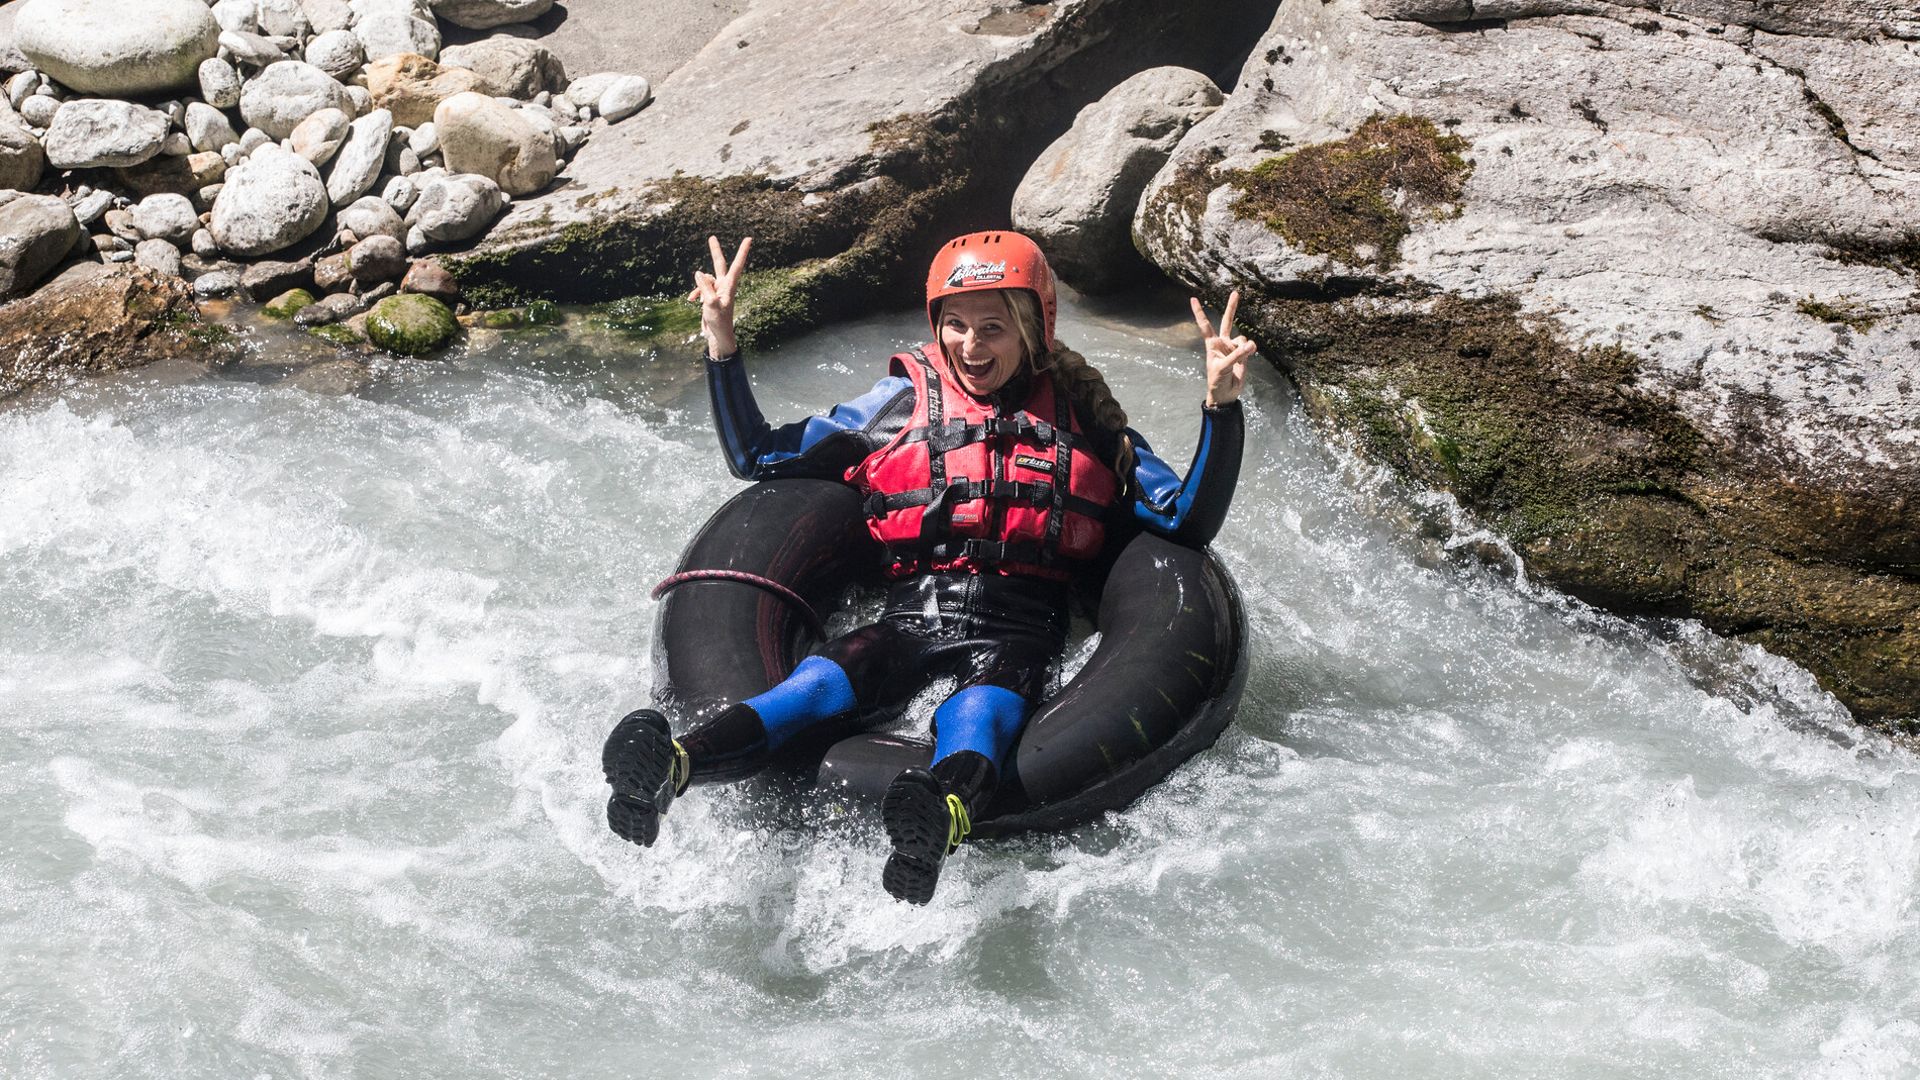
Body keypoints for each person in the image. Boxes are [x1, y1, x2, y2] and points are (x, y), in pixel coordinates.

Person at [604, 230, 1255, 904]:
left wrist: (1221, 407)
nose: (972, 347)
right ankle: (676, 763)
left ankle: (937, 818)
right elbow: (758, 457)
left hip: (1017, 631)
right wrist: (722, 343)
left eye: (993, 329)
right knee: (814, 689)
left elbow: (1185, 523)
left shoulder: (1089, 418)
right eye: (957, 327)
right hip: (911, 615)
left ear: (1034, 330)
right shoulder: (900, 403)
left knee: (979, 717)